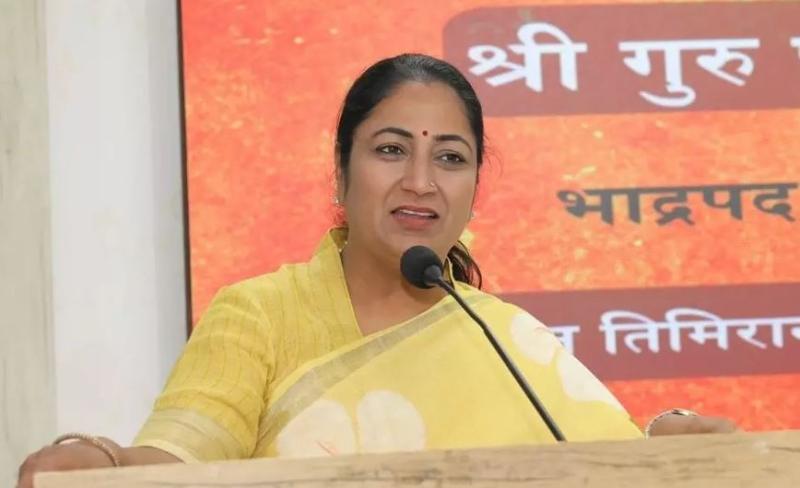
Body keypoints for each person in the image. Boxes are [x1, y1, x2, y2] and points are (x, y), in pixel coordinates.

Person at [17, 53, 737, 486]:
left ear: (475, 188)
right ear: (340, 172)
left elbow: (599, 464)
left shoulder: (505, 338)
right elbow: (185, 455)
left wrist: (667, 441)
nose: (420, 182)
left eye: (449, 158)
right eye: (391, 150)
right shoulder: (263, 313)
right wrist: (104, 460)